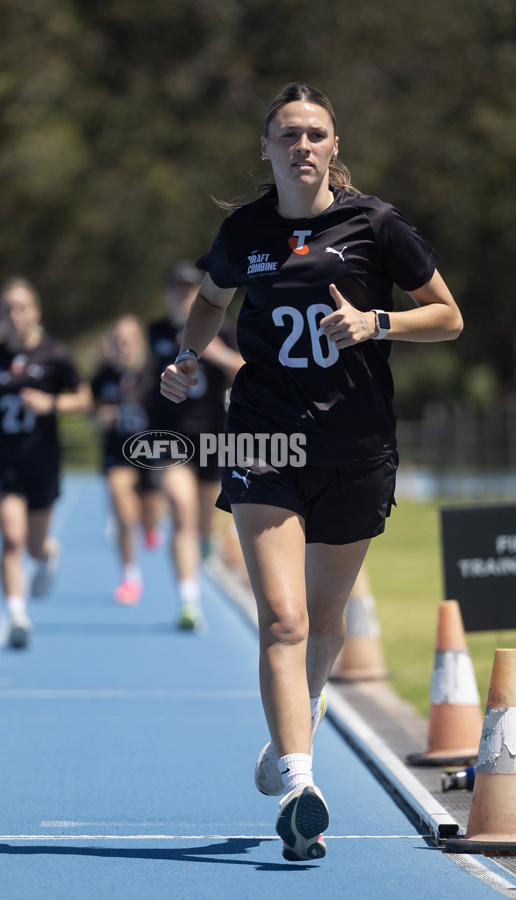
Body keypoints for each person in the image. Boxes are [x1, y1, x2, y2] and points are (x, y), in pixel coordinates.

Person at [160, 83, 463, 860]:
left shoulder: (376, 225)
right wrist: (189, 359)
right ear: (265, 148)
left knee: (324, 628)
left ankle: (293, 728)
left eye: (316, 133)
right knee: (285, 621)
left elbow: (449, 315)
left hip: (355, 449)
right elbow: (208, 301)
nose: (302, 145)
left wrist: (378, 321)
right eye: (287, 133)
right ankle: (301, 784)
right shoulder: (246, 231)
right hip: (264, 441)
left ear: (334, 147)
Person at [0, 277, 92, 649]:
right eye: (7, 309)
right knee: (11, 538)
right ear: (0, 316)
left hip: (43, 461)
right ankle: (17, 615)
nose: (14, 316)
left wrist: (50, 404)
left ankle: (47, 552)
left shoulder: (55, 355)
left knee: (34, 546)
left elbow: (85, 399)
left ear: (35, 312)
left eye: (21, 308)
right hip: (2, 462)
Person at [149, 261, 243, 631]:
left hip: (212, 441)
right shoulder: (155, 333)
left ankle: (202, 550)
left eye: (191, 289)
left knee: (203, 525)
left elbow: (250, 369)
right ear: (168, 295)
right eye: (178, 289)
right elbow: (138, 377)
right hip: (168, 439)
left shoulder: (226, 330)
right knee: (181, 512)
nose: (183, 296)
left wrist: (218, 354)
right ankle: (189, 601)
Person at [91, 314, 164, 605]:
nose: (125, 345)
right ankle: (130, 577)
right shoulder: (104, 375)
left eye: (129, 339)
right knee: (121, 508)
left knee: (150, 516)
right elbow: (89, 406)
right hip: (117, 453)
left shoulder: (156, 370)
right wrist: (99, 417)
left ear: (141, 342)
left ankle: (149, 528)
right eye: (119, 340)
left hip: (151, 454)